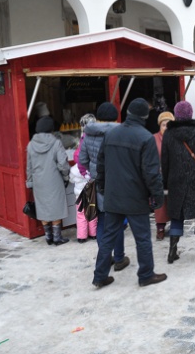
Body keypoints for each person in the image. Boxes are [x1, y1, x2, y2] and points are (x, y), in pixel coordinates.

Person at [93, 98, 166, 288]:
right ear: (145, 116)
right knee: (142, 238)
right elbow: (151, 173)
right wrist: (158, 196)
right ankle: (146, 274)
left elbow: (100, 165)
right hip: (135, 197)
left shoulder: (111, 134)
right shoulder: (145, 137)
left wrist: (102, 187)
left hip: (113, 195)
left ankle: (99, 275)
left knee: (108, 237)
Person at [162, 101, 195, 263]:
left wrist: (165, 182)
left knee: (176, 215)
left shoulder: (169, 134)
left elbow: (164, 161)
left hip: (175, 180)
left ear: (176, 115)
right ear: (191, 114)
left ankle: (172, 250)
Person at [78, 103, 130, 270]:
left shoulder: (88, 134)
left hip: (98, 182)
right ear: (116, 116)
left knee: (101, 220)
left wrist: (93, 170)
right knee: (118, 220)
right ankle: (120, 258)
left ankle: (105, 257)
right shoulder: (122, 133)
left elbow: (82, 160)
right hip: (118, 182)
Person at [26, 116, 71, 246]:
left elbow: (29, 166)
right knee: (55, 207)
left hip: (39, 181)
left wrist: (30, 182)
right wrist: (66, 176)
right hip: (54, 180)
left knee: (43, 207)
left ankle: (48, 237)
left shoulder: (30, 145)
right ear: (51, 129)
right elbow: (63, 163)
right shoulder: (56, 143)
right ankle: (57, 237)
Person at [71, 113, 97, 243]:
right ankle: (93, 233)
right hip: (92, 182)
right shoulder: (96, 140)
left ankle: (81, 236)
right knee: (92, 209)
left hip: (80, 185)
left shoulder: (81, 141)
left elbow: (77, 156)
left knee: (81, 212)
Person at [153, 110, 174, 241]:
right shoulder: (154, 138)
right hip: (159, 175)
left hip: (173, 175)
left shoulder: (175, 138)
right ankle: (160, 227)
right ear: (160, 126)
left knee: (173, 201)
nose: (166, 127)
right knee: (160, 203)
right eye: (163, 124)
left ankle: (176, 226)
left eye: (168, 124)